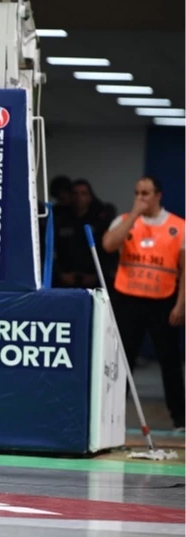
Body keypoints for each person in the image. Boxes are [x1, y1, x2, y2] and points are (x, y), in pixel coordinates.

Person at [101, 175, 186, 430]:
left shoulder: (178, 226)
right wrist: (134, 216)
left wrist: (181, 304)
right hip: (128, 299)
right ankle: (113, 416)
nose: (140, 198)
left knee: (170, 361)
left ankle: (180, 418)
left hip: (163, 301)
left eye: (145, 193)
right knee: (122, 359)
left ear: (158, 195)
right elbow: (108, 245)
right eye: (137, 193)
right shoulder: (124, 221)